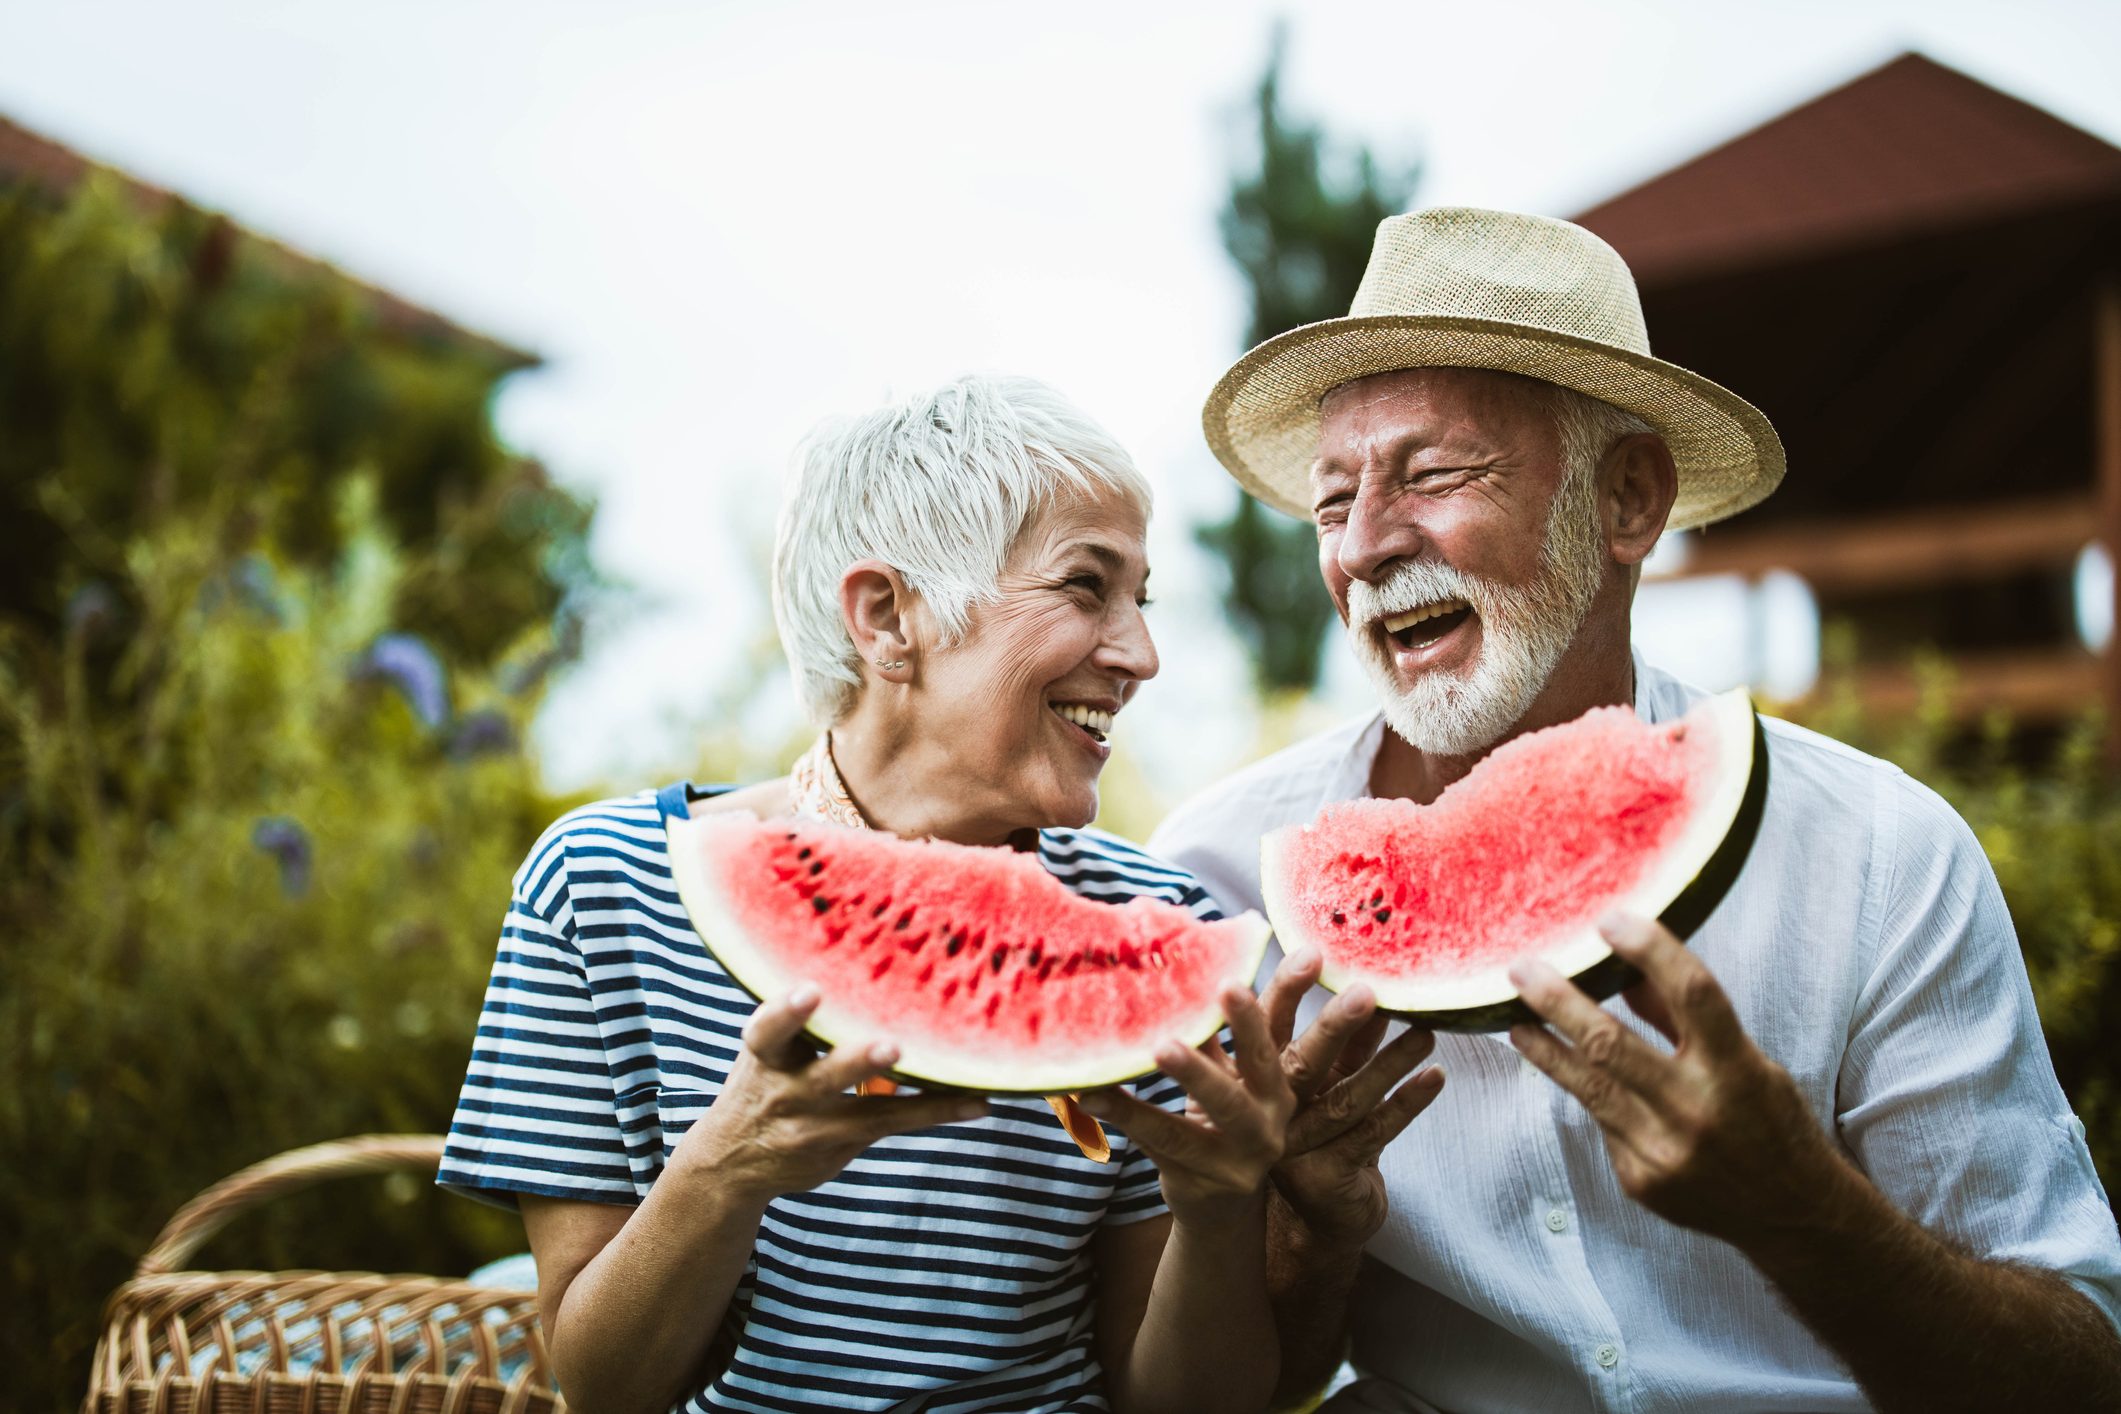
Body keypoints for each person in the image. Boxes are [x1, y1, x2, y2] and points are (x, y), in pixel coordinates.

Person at [1153, 206, 2121, 1412]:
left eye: (1432, 474)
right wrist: (1314, 1233)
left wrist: (1804, 1215)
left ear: (1627, 500)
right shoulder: (1218, 877)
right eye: (1331, 500)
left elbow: (2081, 1374)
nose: (1363, 547)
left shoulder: (1879, 853)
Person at [437, 375, 1327, 1414]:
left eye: (1142, 599)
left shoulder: (1163, 926)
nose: (1141, 653)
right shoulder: (605, 883)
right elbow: (600, 1388)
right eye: (1087, 587)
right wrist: (726, 1172)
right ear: (886, 615)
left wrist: (1222, 1210)